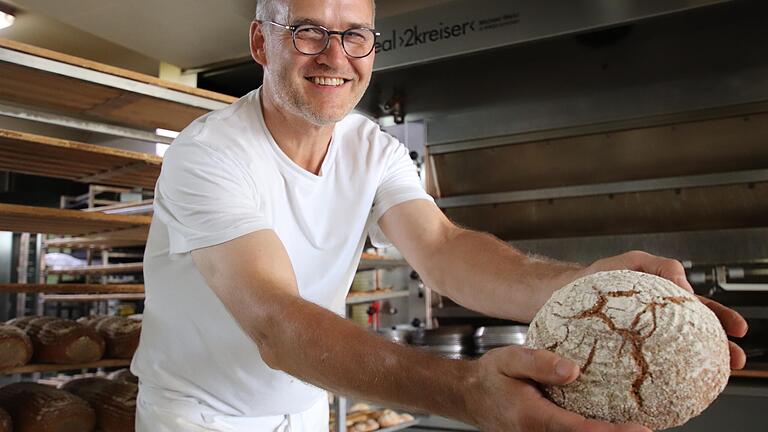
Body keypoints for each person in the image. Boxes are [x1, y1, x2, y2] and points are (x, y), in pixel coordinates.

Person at [131, 0, 749, 430]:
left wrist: (586, 288)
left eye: (356, 36)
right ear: (260, 41)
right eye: (308, 31)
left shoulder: (370, 146)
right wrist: (466, 393)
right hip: (199, 417)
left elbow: (445, 251)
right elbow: (275, 321)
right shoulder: (210, 154)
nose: (336, 56)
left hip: (306, 409)